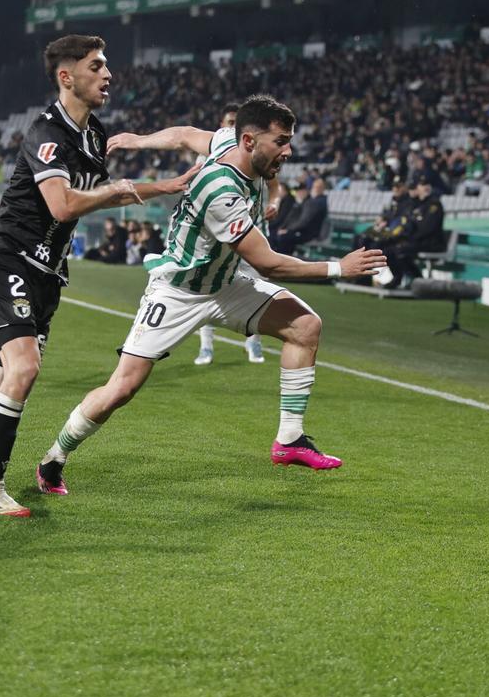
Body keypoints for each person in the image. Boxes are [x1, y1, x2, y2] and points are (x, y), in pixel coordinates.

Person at [0, 35, 197, 517]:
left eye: (107, 65)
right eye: (97, 66)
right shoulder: (44, 134)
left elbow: (102, 196)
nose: (108, 74)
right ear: (66, 77)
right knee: (25, 369)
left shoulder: (95, 136)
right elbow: (63, 203)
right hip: (8, 261)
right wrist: (123, 189)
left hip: (48, 277)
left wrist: (165, 188)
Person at [32, 94, 386, 498]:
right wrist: (340, 268)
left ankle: (289, 441)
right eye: (282, 141)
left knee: (305, 326)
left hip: (226, 284)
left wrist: (137, 139)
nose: (289, 151)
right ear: (250, 141)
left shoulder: (227, 142)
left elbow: (184, 135)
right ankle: (54, 457)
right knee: (122, 388)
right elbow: (269, 264)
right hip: (179, 292)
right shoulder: (220, 190)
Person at [107, 103, 279, 365]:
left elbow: (275, 186)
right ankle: (205, 347)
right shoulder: (212, 155)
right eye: (229, 122)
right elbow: (182, 137)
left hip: (248, 236)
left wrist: (274, 203)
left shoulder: (259, 158)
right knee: (206, 287)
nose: (232, 127)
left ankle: (253, 344)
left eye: (236, 122)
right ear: (223, 125)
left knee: (257, 289)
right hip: (212, 244)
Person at [273, 177, 327, 254]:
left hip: (307, 233)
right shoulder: (309, 202)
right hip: (303, 231)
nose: (298, 193)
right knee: (280, 236)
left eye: (317, 187)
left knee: (283, 237)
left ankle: (284, 260)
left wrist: (288, 230)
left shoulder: (314, 203)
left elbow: (304, 221)